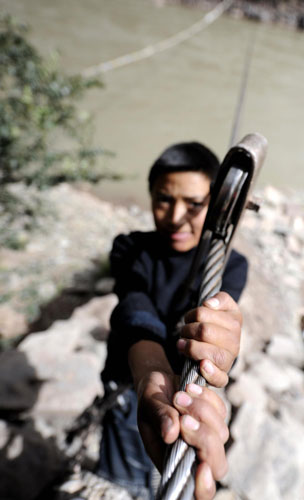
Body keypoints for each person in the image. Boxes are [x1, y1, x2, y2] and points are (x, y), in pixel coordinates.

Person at [98, 142, 248, 500]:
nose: (176, 216)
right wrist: (150, 370)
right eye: (164, 199)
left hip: (185, 390)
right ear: (150, 197)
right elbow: (135, 305)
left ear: (216, 204)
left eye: (194, 204)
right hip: (127, 380)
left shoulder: (232, 264)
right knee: (122, 480)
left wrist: (221, 343)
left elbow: (213, 320)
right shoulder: (130, 248)